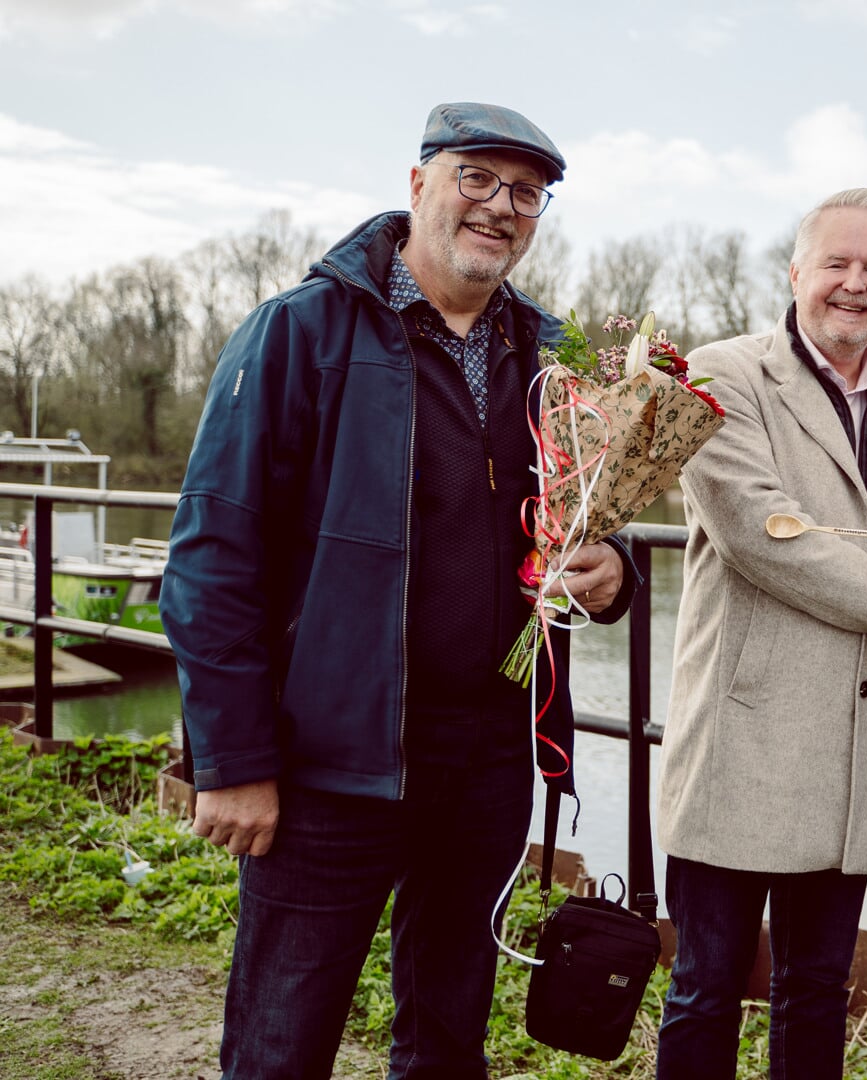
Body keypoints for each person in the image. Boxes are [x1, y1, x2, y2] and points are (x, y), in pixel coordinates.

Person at [160, 102, 637, 1079]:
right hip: (328, 756)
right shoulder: (298, 333)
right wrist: (233, 757)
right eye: (477, 178)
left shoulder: (556, 355)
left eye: (527, 193)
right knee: (283, 1036)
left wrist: (614, 572)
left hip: (487, 756)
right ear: (417, 183)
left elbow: (594, 513)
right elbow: (212, 561)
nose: (500, 207)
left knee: (449, 1035)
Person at [655, 187, 867, 1078]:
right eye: (836, 263)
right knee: (706, 986)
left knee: (816, 989)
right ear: (794, 273)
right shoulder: (721, 376)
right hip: (744, 736)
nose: (854, 284)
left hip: (858, 744)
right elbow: (765, 537)